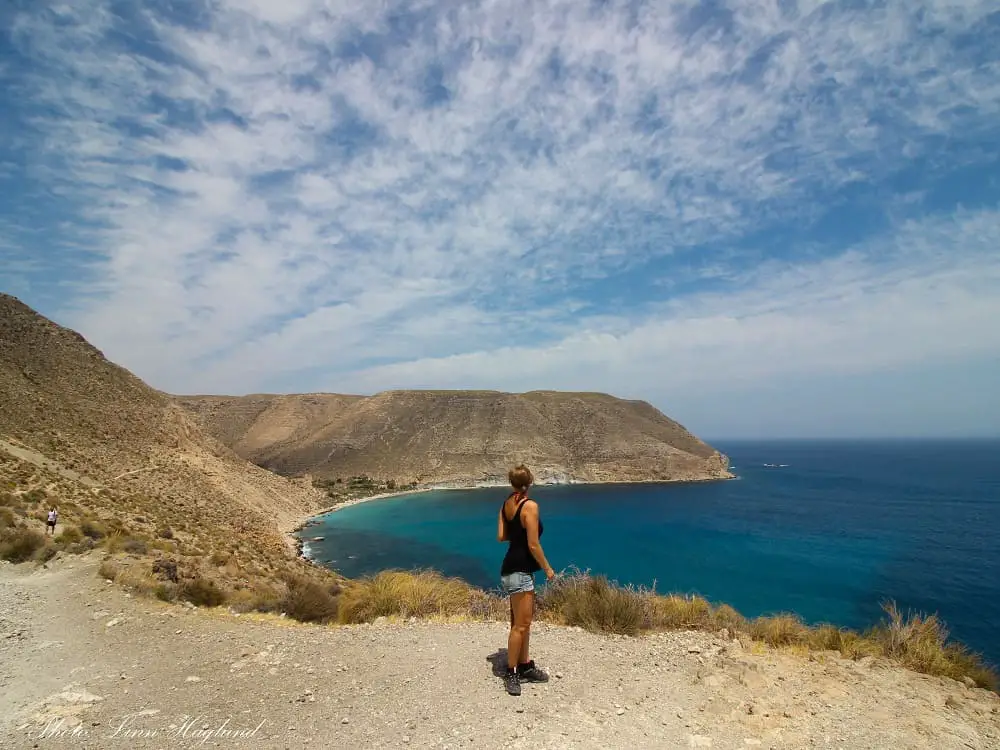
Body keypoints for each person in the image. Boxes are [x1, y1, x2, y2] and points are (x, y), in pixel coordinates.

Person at [497, 464, 555, 696]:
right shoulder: (530, 506)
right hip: (521, 570)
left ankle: (524, 665)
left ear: (512, 483)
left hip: (510, 567)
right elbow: (533, 544)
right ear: (530, 482)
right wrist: (548, 569)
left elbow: (501, 536)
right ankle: (512, 672)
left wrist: (516, 532)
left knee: (523, 623)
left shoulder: (506, 505)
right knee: (520, 625)